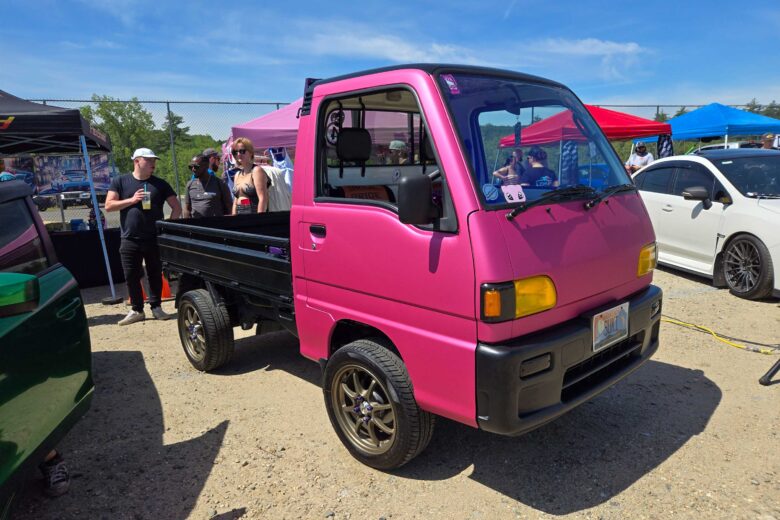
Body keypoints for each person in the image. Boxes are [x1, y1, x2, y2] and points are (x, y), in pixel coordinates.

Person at [105, 148, 182, 326]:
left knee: (155, 272)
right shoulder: (120, 181)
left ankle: (156, 307)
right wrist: (131, 200)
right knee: (131, 274)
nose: (153, 164)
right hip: (129, 237)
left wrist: (167, 228)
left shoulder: (160, 184)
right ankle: (137, 309)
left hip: (154, 237)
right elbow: (109, 205)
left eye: (154, 160)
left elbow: (176, 207)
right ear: (137, 161)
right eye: (148, 160)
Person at [230, 137, 268, 214]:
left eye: (242, 151)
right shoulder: (237, 174)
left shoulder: (256, 171)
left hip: (253, 214)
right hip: (239, 214)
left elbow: (263, 198)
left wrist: (259, 220)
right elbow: (236, 200)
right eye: (235, 152)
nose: (238, 154)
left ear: (250, 152)